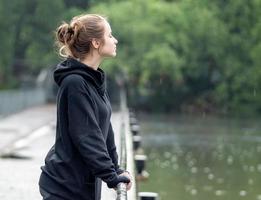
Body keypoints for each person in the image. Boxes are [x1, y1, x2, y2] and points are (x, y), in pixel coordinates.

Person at [39, 14, 132, 200]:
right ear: (96, 43)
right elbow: (86, 135)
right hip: (65, 185)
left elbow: (104, 132)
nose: (115, 40)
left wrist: (116, 169)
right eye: (110, 35)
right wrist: (111, 177)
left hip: (83, 183)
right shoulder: (75, 83)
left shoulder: (94, 80)